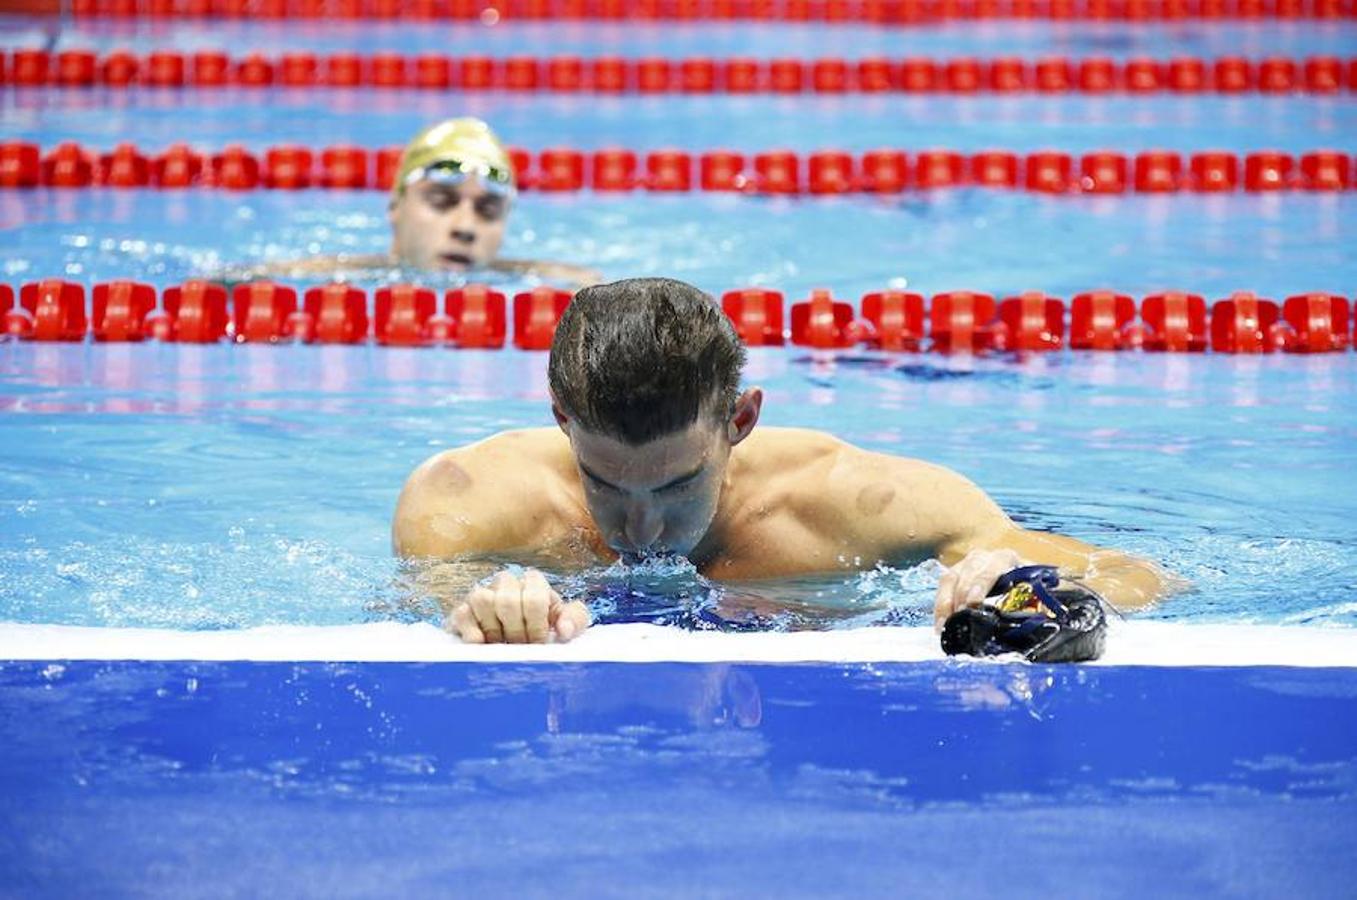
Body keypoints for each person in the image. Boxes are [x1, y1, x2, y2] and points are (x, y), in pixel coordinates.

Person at [392, 277, 1174, 645]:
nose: (640, 524)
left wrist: (1011, 586)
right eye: (603, 481)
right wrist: (473, 609)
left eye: (675, 482)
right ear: (562, 422)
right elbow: (407, 610)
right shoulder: (465, 501)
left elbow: (1146, 578)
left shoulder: (858, 503)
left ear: (740, 421)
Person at [224, 118, 600, 288]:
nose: (465, 228)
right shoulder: (316, 276)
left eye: (487, 211)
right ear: (395, 206)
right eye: (441, 201)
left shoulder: (551, 282)